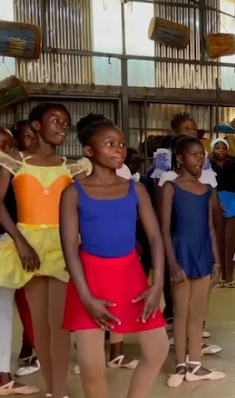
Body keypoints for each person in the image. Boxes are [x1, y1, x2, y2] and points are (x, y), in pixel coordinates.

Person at [60, 114, 169, 398]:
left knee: (158, 348)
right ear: (89, 150)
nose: (118, 149)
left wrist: (156, 284)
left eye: (121, 143)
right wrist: (85, 297)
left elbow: (156, 238)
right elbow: (70, 249)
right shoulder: (73, 193)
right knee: (91, 366)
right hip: (90, 280)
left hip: (130, 275)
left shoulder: (137, 189)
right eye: (109, 144)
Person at [0, 103, 91, 398]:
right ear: (36, 126)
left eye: (66, 123)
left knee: (60, 324)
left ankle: (59, 390)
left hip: (63, 246)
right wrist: (20, 241)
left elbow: (90, 199)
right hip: (29, 245)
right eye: (56, 121)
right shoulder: (14, 161)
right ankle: (53, 390)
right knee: (40, 325)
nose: (63, 127)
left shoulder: (71, 166)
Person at [159, 136, 225, 387]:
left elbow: (210, 227)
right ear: (180, 158)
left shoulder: (207, 189)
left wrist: (217, 261)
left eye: (202, 155)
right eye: (194, 155)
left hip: (203, 252)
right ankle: (179, 364)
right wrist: (172, 263)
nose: (200, 159)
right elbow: (164, 229)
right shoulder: (170, 187)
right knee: (181, 311)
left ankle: (195, 365)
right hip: (181, 252)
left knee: (198, 312)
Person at [0, 127, 38, 395]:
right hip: (8, 243)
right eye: (1, 145)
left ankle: (3, 378)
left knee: (3, 313)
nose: (6, 151)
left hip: (6, 245)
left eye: (8, 145)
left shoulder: (12, 172)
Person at [210, 138, 235, 288]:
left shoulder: (234, 166)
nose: (221, 151)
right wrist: (213, 201)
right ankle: (218, 278)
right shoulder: (208, 166)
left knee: (230, 241)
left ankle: (229, 278)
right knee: (217, 241)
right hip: (215, 202)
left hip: (232, 202)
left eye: (223, 148)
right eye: (217, 148)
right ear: (213, 150)